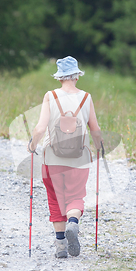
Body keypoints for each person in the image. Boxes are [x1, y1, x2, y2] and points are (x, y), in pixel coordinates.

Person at [28, 56, 102, 258]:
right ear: (77, 76)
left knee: (55, 198)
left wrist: (32, 145)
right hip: (79, 159)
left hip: (52, 159)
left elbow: (40, 127)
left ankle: (60, 245)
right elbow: (95, 129)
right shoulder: (86, 97)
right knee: (76, 197)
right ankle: (73, 223)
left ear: (59, 77)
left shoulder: (50, 96)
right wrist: (98, 147)